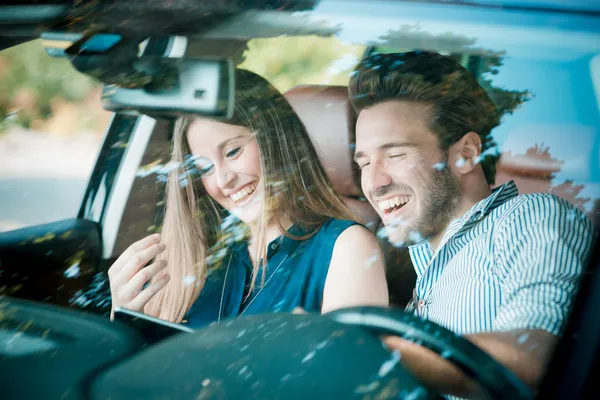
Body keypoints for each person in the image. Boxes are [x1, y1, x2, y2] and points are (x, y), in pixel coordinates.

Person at [349, 51, 595, 397]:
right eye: (364, 163)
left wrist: (364, 351)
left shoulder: (528, 217)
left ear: (465, 154)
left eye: (396, 154)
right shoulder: (423, 261)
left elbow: (532, 358)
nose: (374, 182)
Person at [108, 68, 389, 327]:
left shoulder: (346, 247)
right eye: (204, 168)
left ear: (278, 139)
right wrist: (125, 318)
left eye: (233, 152)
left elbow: (345, 376)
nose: (223, 180)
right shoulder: (195, 257)